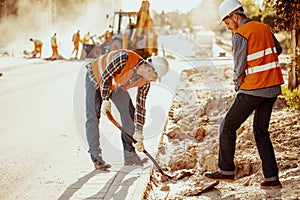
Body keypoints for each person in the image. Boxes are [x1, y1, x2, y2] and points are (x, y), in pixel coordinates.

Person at [204, 0, 284, 189]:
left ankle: (226, 170)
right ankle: (272, 179)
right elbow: (277, 50)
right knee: (261, 132)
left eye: (227, 22)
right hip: (272, 89)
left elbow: (239, 68)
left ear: (234, 16)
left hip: (253, 89)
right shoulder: (264, 28)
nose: (228, 27)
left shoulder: (241, 34)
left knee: (227, 127)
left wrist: (237, 86)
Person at [85, 49, 169, 170]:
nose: (155, 80)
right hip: (95, 77)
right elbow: (105, 77)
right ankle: (96, 158)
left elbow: (140, 107)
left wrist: (138, 133)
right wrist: (105, 100)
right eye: (156, 77)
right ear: (150, 70)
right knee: (93, 117)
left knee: (130, 113)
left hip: (115, 84)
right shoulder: (124, 59)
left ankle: (130, 156)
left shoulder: (144, 82)